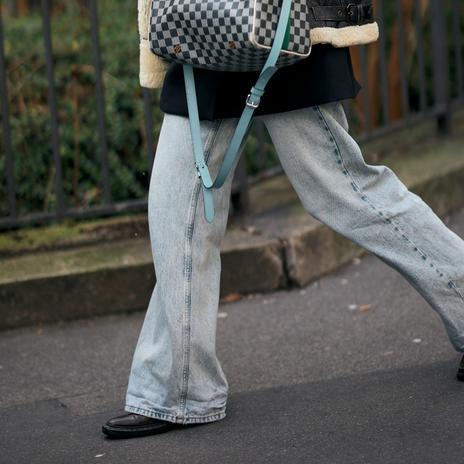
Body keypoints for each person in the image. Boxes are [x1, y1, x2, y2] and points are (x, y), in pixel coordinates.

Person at [102, 0, 464, 438]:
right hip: (198, 23)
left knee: (346, 192)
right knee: (177, 209)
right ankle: (177, 388)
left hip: (284, 24)